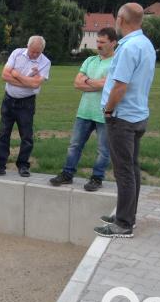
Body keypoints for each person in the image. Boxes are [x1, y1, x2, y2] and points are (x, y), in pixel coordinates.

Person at [95, 3, 156, 239]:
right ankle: (127, 215)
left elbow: (120, 86)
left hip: (123, 118)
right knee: (132, 168)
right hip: (138, 114)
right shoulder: (146, 44)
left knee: (124, 171)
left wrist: (109, 111)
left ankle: (123, 224)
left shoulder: (129, 47)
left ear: (121, 19)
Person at [49, 28, 119, 191]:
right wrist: (98, 83)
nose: (98, 45)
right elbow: (76, 83)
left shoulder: (117, 62)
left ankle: (97, 178)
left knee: (103, 150)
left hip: (105, 113)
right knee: (74, 145)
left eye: (102, 42)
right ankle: (67, 174)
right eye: (98, 41)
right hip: (85, 111)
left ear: (113, 43)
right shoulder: (90, 60)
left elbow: (111, 85)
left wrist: (87, 81)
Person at [0, 36, 51, 177]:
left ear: (42, 50)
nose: (34, 54)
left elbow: (35, 84)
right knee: (3, 133)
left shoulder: (45, 62)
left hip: (26, 103)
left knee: (26, 136)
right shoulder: (16, 53)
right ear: (27, 46)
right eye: (32, 51)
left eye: (37, 53)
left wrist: (16, 75)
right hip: (8, 99)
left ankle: (23, 165)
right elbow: (4, 75)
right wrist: (26, 81)